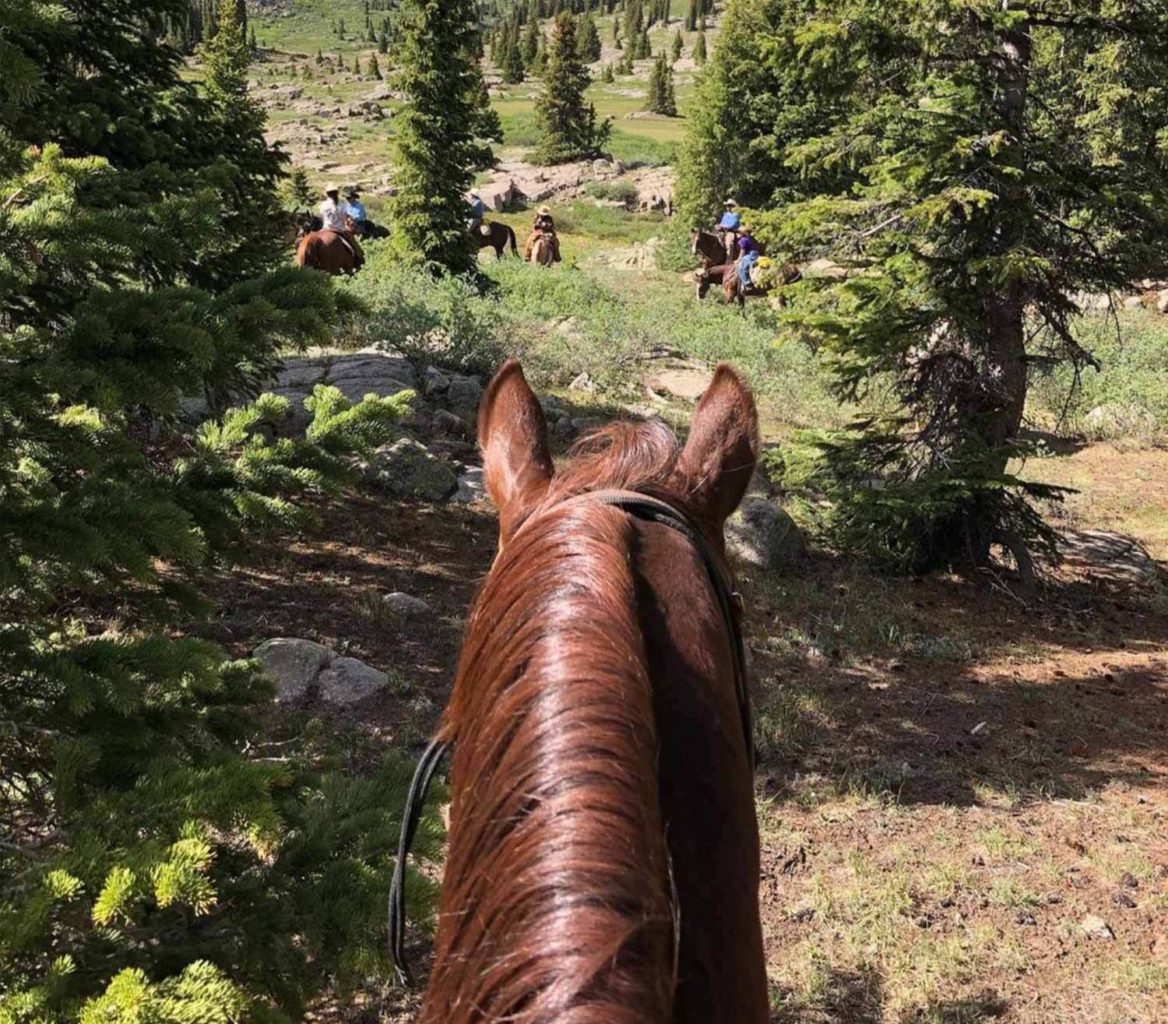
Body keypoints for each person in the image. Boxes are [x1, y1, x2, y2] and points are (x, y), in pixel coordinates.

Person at [318, 184, 363, 263]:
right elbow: (345, 218)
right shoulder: (342, 205)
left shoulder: (322, 205)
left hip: (325, 228)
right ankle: (359, 259)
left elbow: (321, 217)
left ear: (327, 194)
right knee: (354, 245)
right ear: (337, 193)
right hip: (339, 229)